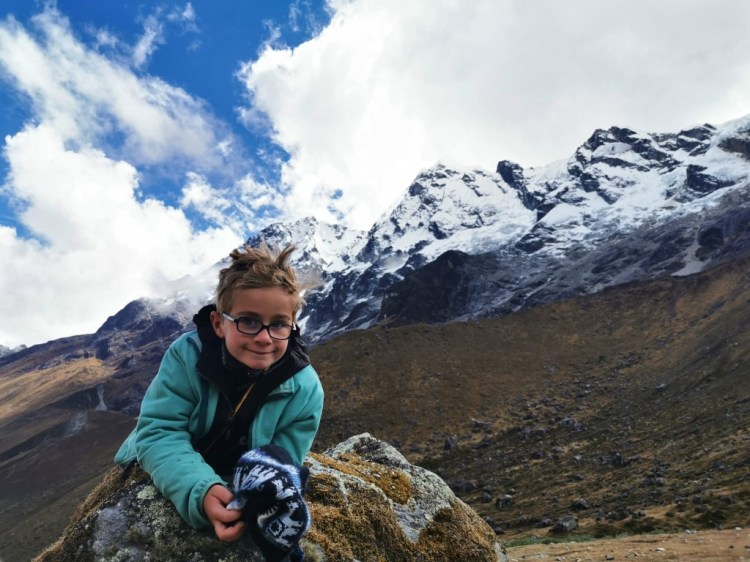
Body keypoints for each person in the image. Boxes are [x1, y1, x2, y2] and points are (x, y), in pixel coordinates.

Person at [115, 243, 324, 545]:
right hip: (161, 462)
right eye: (248, 321)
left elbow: (280, 463)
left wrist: (255, 501)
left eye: (279, 324)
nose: (264, 338)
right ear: (218, 323)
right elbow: (160, 432)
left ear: (293, 327)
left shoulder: (304, 390)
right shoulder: (186, 357)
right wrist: (200, 491)